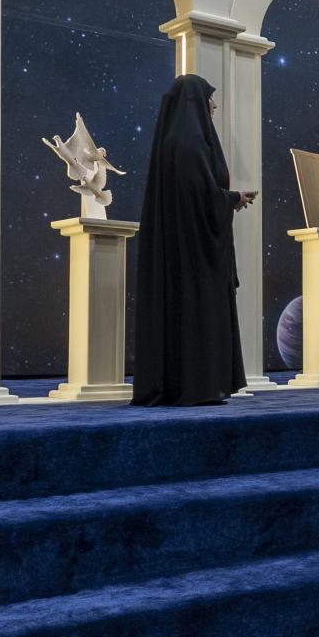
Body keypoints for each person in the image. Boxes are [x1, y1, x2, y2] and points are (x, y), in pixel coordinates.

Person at [131, 75, 256, 406]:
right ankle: (199, 386)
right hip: (197, 254)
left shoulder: (174, 141)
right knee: (198, 314)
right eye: (209, 99)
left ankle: (185, 384)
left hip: (182, 248)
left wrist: (227, 198)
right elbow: (200, 195)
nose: (213, 106)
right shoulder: (191, 144)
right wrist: (232, 198)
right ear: (195, 103)